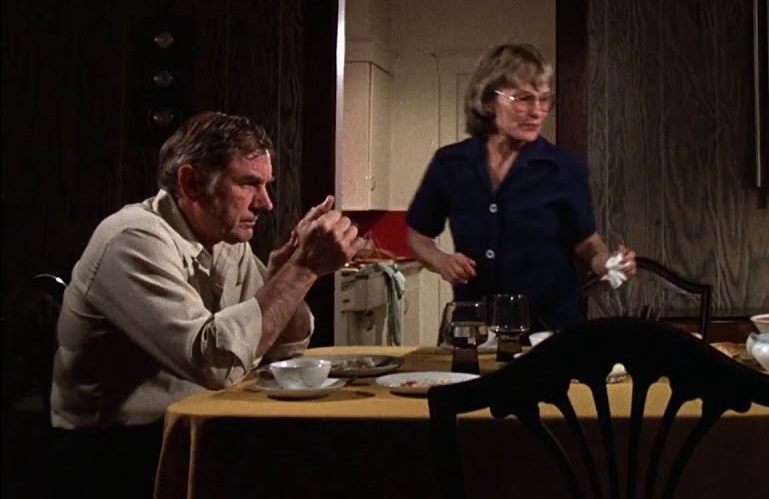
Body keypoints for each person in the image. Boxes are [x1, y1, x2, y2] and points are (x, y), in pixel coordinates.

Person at [50, 111, 358, 496]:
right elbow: (215, 363)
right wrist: (303, 270)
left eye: (266, 185)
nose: (266, 203)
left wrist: (286, 275)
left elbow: (282, 347)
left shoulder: (225, 241)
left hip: (194, 428)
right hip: (113, 453)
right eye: (248, 183)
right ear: (191, 183)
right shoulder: (132, 240)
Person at [406, 44, 636, 332]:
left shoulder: (564, 166)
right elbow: (418, 236)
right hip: (475, 327)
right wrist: (442, 261)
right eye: (524, 99)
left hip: (550, 329)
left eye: (544, 100)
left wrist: (607, 262)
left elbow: (587, 243)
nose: (537, 111)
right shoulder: (450, 164)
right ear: (489, 100)